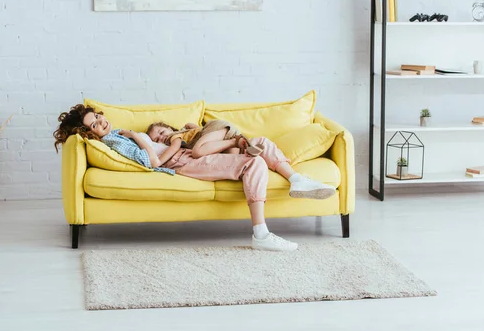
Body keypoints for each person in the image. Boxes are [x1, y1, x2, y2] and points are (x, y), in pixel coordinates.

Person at [54, 104, 337, 252]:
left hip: (187, 154)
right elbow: (152, 163)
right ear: (90, 133)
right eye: (95, 125)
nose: (102, 123)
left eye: (99, 117)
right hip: (181, 162)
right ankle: (261, 233)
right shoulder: (117, 141)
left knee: (260, 142)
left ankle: (297, 178)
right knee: (254, 164)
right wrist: (142, 139)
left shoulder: (118, 134)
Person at [147, 120, 264, 157]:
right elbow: (192, 126)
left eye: (162, 132)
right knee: (235, 159)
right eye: (156, 140)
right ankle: (247, 148)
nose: (161, 138)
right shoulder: (185, 134)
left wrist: (157, 162)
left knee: (197, 152)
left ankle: (235, 141)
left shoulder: (174, 137)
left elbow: (173, 148)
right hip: (220, 136)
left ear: (170, 128)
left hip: (217, 129)